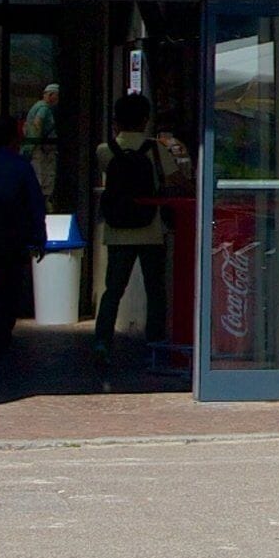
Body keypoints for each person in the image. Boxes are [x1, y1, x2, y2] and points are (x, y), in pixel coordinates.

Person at [91, 91, 178, 377]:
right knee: (156, 290)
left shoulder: (105, 151)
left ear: (116, 120)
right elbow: (176, 180)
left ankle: (102, 343)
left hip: (117, 231)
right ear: (145, 119)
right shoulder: (156, 150)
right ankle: (154, 344)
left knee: (113, 291)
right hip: (151, 229)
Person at [0, 115, 45, 338]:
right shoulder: (21, 166)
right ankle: (2, 333)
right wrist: (39, 236)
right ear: (13, 139)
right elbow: (35, 203)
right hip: (13, 239)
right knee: (9, 289)